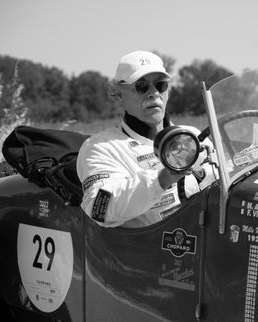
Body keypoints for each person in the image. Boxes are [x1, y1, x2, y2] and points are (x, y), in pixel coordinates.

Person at [76, 50, 214, 228]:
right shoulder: (100, 147)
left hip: (209, 239)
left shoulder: (193, 134)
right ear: (119, 94)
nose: (154, 93)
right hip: (154, 250)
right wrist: (163, 178)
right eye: (142, 86)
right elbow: (99, 209)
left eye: (160, 85)